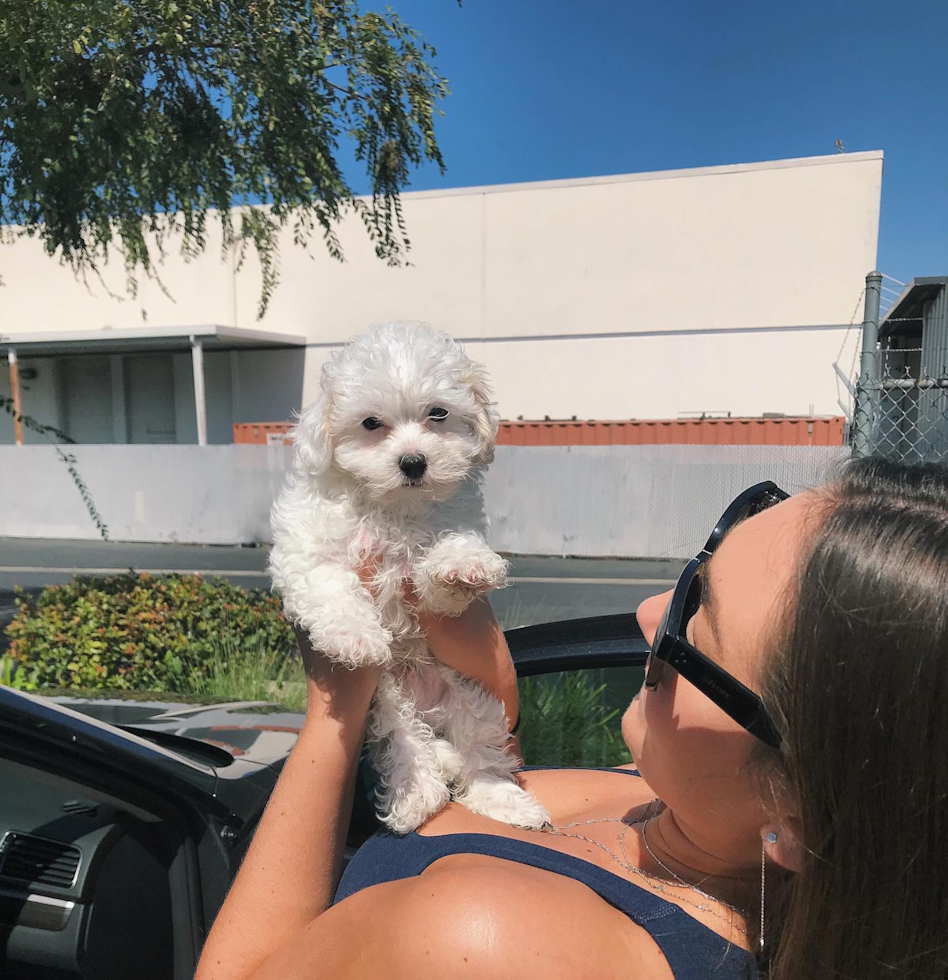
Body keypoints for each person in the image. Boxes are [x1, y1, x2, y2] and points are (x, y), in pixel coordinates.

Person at [194, 457, 948, 980]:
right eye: (696, 572)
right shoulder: (672, 802)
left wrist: (338, 696)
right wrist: (484, 676)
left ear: (796, 807)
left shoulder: (488, 941)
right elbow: (499, 789)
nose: (651, 614)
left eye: (696, 620)